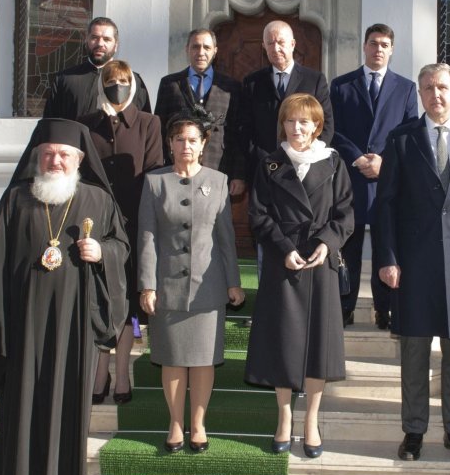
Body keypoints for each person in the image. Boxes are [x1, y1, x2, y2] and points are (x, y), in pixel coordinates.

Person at [0, 118, 129, 475]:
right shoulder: (17, 199)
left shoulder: (97, 200)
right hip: (24, 320)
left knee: (68, 394)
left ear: (80, 159)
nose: (56, 161)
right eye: (49, 154)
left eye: (64, 155)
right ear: (37, 157)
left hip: (74, 319)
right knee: (22, 396)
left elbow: (121, 246)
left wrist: (103, 253)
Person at [374, 63, 450, 464]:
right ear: (420, 94)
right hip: (412, 264)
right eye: (427, 88)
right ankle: (413, 431)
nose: (435, 94)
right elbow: (386, 205)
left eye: (442, 87)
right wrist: (388, 259)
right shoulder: (401, 138)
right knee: (413, 351)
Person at [244, 94, 354, 458]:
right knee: (283, 344)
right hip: (283, 262)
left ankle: (311, 422)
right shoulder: (270, 164)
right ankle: (284, 418)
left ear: (317, 126)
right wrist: (282, 248)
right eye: (290, 121)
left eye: (304, 122)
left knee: (317, 347)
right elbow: (258, 215)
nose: (297, 128)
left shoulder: (335, 163)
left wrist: (327, 244)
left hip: (320, 264)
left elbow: (345, 215)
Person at [138, 112, 245, 453]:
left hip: (207, 287)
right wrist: (147, 285)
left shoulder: (218, 180)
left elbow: (226, 238)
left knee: (202, 360)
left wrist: (233, 282)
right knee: (171, 359)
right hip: (166, 286)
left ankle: (198, 424)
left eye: (193, 140)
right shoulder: (155, 182)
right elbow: (147, 237)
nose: (186, 145)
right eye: (180, 139)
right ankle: (175, 423)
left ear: (203, 146)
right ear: (170, 144)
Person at [78, 60, 164, 404]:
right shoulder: (86, 126)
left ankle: (123, 372)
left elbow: (156, 172)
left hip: (133, 224)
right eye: (112, 81)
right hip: (98, 225)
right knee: (101, 297)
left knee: (128, 300)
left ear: (133, 85)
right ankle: (100, 370)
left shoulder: (149, 123)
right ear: (102, 84)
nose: (118, 87)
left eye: (124, 81)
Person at [330, 23, 418, 328]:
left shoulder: (406, 88)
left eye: (384, 44)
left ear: (391, 49)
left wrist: (385, 160)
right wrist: (357, 158)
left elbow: (410, 131)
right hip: (350, 180)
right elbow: (333, 130)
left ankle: (385, 309)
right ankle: (345, 306)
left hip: (387, 180)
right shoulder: (341, 85)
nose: (378, 49)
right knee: (349, 247)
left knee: (386, 245)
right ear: (364, 47)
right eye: (373, 43)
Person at [154, 28, 246, 195]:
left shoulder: (231, 88)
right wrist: (161, 168)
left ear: (215, 51)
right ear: (187, 49)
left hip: (219, 168)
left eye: (207, 47)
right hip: (177, 168)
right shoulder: (170, 84)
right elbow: (159, 131)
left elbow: (239, 135)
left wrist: (238, 175)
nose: (201, 52)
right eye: (195, 47)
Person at [240, 20, 334, 184]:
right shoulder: (252, 82)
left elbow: (326, 124)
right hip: (264, 169)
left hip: (304, 169)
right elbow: (245, 128)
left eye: (281, 42)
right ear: (264, 47)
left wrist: (309, 155)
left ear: (292, 44)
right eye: (270, 43)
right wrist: (259, 156)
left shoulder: (314, 80)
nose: (276, 48)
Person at [44, 17, 151, 119]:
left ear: (116, 45)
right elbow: (51, 125)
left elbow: (143, 126)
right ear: (86, 41)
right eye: (94, 37)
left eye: (107, 39)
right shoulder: (65, 79)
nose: (100, 43)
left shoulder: (132, 80)